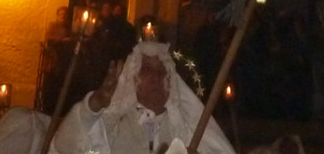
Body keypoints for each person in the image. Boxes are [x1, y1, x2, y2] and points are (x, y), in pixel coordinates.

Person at [52, 40, 234, 154]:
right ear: (133, 77)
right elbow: (67, 146)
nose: (155, 77)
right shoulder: (115, 125)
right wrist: (94, 104)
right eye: (146, 70)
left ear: (170, 80)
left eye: (161, 71)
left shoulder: (184, 130)